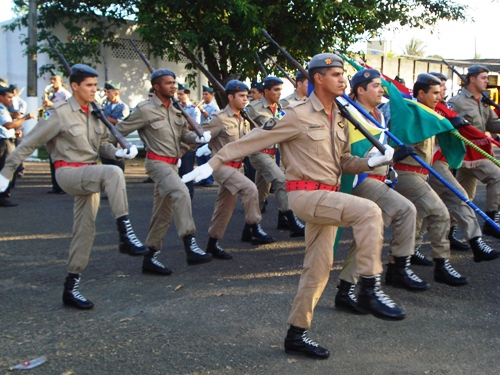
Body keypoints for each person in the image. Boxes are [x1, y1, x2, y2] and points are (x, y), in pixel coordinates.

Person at [182, 53, 405, 360]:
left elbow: (343, 163)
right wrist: (215, 161)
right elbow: (257, 138)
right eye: (336, 74)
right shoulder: (297, 114)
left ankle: (295, 335)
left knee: (318, 269)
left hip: (328, 196)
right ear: (318, 78)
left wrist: (373, 161)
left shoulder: (338, 116)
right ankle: (369, 287)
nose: (343, 79)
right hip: (305, 195)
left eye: (342, 74)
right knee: (369, 211)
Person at [0, 64, 147, 309]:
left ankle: (71, 287)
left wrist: (121, 151)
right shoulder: (59, 113)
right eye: (89, 85)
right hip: (67, 172)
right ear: (74, 86)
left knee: (85, 232)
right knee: (112, 173)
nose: (94, 90)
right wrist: (7, 171)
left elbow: (101, 146)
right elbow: (28, 142)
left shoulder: (95, 112)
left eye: (95, 86)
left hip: (89, 172)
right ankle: (126, 234)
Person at [335, 69, 427, 316]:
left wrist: (393, 155)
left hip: (379, 179)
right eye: (375, 85)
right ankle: (398, 268)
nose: (380, 90)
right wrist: (385, 157)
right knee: (405, 209)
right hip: (358, 180)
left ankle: (345, 290)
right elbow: (348, 155)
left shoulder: (377, 115)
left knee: (367, 236)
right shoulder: (348, 113)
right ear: (360, 90)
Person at [116, 68, 213, 276]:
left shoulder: (175, 109)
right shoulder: (145, 110)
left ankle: (149, 257)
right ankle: (190, 244)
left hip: (173, 164)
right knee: (181, 192)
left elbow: (183, 135)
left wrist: (198, 138)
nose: (173, 86)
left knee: (163, 212)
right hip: (156, 163)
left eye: (174, 82)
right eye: (168, 83)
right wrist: (116, 149)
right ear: (156, 86)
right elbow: (119, 130)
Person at [390, 73, 468, 286]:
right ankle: (441, 265)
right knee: (440, 213)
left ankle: (397, 268)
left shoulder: (428, 112)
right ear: (421, 93)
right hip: (406, 173)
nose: (438, 97)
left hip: (421, 174)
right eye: (434, 93)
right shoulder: (411, 112)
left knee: (413, 222)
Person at [416, 72, 499, 263]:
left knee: (429, 208)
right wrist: (447, 126)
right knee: (459, 198)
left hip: (446, 159)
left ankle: (408, 252)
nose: (442, 92)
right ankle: (476, 242)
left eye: (443, 87)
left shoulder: (444, 109)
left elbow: (489, 124)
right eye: (437, 89)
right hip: (428, 162)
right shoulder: (419, 109)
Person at [198, 79, 275, 259]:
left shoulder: (244, 118)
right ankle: (255, 228)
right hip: (222, 166)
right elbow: (200, 134)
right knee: (250, 189)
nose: (245, 99)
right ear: (230, 97)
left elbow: (248, 141)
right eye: (241, 96)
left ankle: (212, 244)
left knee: (224, 207)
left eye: (247, 96)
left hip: (238, 167)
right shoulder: (219, 118)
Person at [247, 76, 305, 237]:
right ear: (266, 91)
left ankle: (249, 228)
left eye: (280, 89)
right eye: (276, 90)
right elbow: (243, 127)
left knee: (260, 194)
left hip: (272, 154)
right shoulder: (254, 107)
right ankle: (293, 222)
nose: (279, 93)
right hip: (258, 153)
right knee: (280, 180)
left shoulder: (281, 107)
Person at [448, 65, 500, 239]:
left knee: (462, 197)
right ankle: (492, 220)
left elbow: (491, 125)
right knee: (497, 176)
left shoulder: (483, 101)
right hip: (466, 153)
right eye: (483, 78)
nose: (487, 81)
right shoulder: (457, 102)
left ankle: (449, 233)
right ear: (472, 79)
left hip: (480, 152)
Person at [0, 84, 35, 207]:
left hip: (7, 138)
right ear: (1, 97)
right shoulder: (0, 108)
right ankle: (3, 197)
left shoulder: (4, 108)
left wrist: (15, 130)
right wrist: (25, 118)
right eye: (8, 97)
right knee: (6, 168)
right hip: (4, 142)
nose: (11, 99)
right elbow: (8, 125)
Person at [44, 69, 72, 194]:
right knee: (53, 157)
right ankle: (55, 186)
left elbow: (68, 110)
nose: (52, 81)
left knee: (62, 158)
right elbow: (48, 112)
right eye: (51, 79)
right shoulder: (50, 94)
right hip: (51, 128)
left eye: (54, 79)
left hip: (61, 129)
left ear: (61, 80)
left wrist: (52, 104)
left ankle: (64, 186)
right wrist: (44, 117)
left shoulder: (65, 95)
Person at [177, 83, 201, 199]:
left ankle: (188, 195)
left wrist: (181, 125)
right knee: (176, 171)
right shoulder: (175, 107)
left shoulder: (193, 109)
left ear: (187, 94)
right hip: (177, 142)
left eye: (181, 94)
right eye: (178, 94)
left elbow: (194, 125)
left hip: (188, 144)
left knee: (187, 170)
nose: (179, 96)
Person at [101, 81, 130, 172]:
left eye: (108, 92)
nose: (106, 94)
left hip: (117, 140)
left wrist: (106, 118)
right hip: (106, 138)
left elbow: (121, 123)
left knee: (117, 163)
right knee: (106, 163)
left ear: (116, 93)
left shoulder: (123, 107)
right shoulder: (105, 106)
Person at [195, 85, 218, 186]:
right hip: (201, 133)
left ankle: (209, 179)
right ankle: (202, 178)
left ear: (212, 95)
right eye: (203, 94)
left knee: (207, 158)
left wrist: (202, 110)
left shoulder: (214, 107)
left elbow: (211, 120)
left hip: (209, 134)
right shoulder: (202, 105)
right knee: (200, 157)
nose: (204, 96)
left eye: (206, 94)